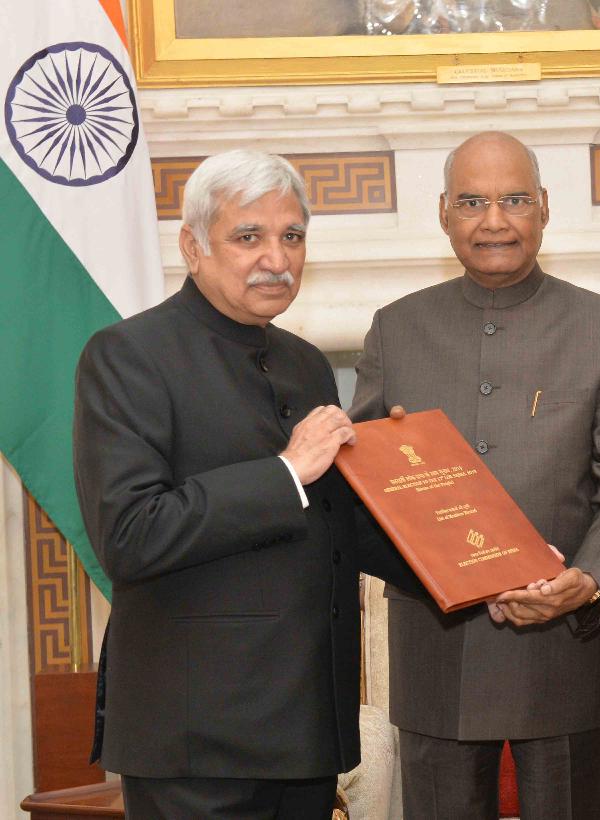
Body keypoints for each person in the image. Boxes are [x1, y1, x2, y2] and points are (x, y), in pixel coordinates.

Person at [73, 150, 407, 817]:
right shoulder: (127, 355)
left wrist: (479, 563)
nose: (276, 260)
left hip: (306, 728)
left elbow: (331, 525)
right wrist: (286, 471)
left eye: (292, 236)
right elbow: (130, 535)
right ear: (192, 247)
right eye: (248, 237)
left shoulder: (306, 364)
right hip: (196, 744)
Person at [349, 131, 600, 820]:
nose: (494, 220)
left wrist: (587, 581)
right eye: (472, 202)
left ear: (544, 207)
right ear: (443, 213)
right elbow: (360, 496)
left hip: (562, 648)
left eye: (514, 200)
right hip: (436, 653)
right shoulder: (395, 331)